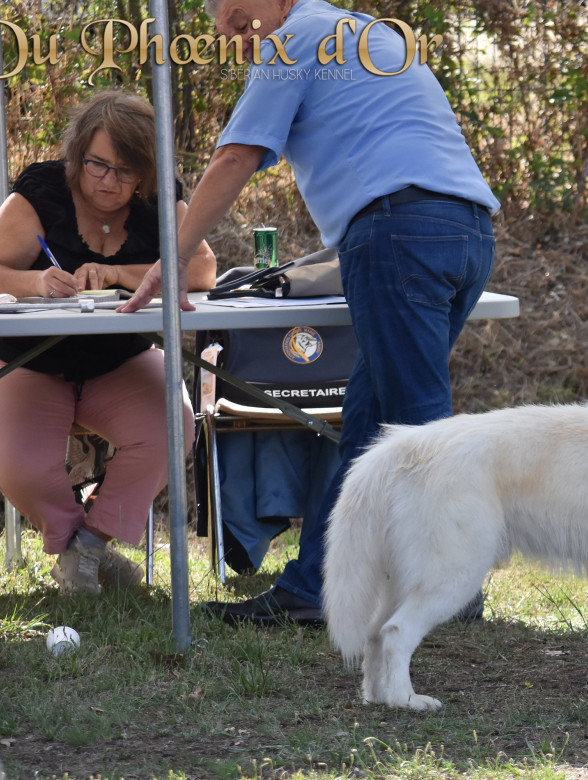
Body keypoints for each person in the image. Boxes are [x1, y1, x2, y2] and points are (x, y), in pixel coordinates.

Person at [119, 0, 500, 624]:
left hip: (397, 233)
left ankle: (452, 586)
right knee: (368, 420)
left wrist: (171, 257)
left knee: (417, 423)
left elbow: (234, 157)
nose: (237, 37)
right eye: (227, 33)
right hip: (467, 233)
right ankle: (317, 588)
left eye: (241, 21)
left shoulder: (296, 38)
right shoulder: (353, 32)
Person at [0, 90, 217, 595]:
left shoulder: (159, 198)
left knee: (172, 424)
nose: (109, 182)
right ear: (78, 155)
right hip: (33, 363)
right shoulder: (42, 192)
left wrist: (121, 272)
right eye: (98, 165)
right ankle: (78, 547)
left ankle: (90, 547)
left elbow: (202, 268)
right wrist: (35, 283)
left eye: (126, 171)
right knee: (18, 463)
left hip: (122, 360)